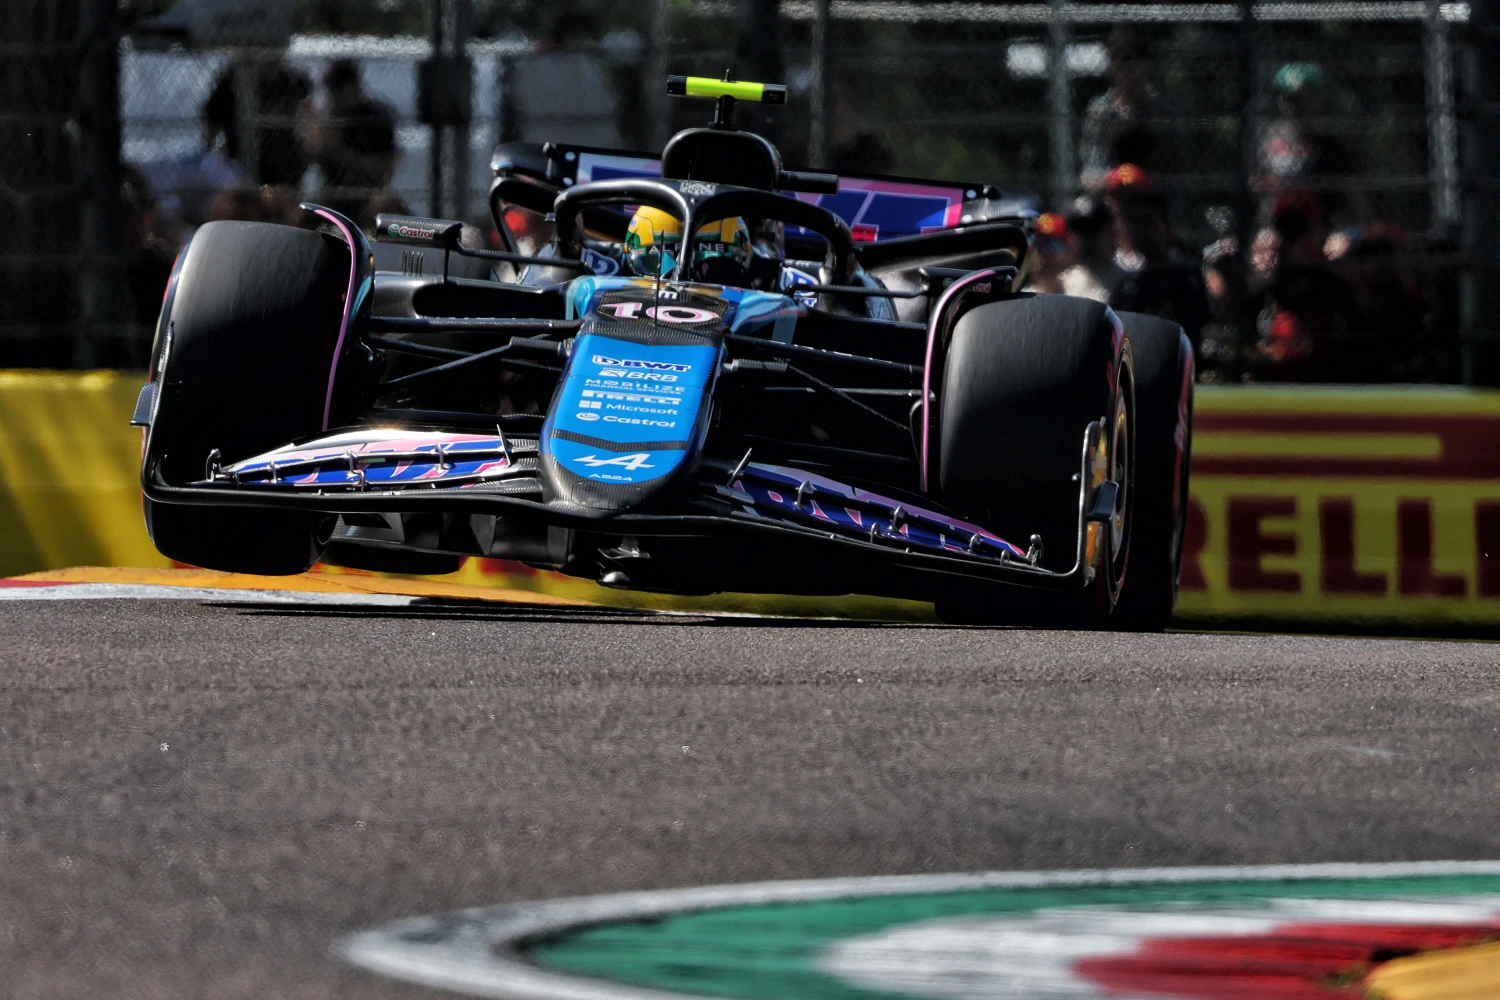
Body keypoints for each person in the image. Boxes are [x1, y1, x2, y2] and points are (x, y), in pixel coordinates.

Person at [1102, 164, 1211, 352]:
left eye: (1148, 222)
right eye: (1134, 222)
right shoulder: (1128, 286)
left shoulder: (1189, 279)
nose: (1142, 232)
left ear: (1167, 226)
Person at [1253, 62, 1363, 231]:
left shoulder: (1333, 147)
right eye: (1289, 99)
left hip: (1320, 236)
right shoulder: (1267, 141)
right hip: (1274, 234)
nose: (1295, 106)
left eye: (1303, 99)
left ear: (1319, 100)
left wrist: (1348, 235)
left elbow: (1358, 203)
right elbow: (1255, 189)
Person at [1079, 28, 1178, 192]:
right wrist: (1118, 180)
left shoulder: (1164, 110)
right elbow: (1091, 169)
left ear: (1146, 64)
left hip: (1155, 197)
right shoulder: (1100, 111)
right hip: (1110, 194)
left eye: (1131, 59)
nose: (1124, 68)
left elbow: (1174, 168)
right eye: (1117, 59)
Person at [202, 62, 313, 189]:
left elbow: (308, 118)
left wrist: (307, 149)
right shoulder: (229, 82)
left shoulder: (292, 81)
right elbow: (212, 126)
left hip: (284, 164)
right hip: (240, 163)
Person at [310, 59, 397, 218]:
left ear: (352, 87)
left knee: (386, 207)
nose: (333, 98)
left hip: (368, 195)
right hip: (332, 195)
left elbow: (386, 167)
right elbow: (312, 156)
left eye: (337, 91)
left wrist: (341, 153)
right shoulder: (330, 118)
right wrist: (313, 135)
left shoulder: (375, 118)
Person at [1058, 197, 1122, 303]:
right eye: (1081, 233)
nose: (1088, 241)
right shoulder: (1065, 283)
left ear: (1110, 234)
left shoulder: (1125, 282)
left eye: (1094, 232)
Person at [1024, 213, 1072, 293]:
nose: (1046, 255)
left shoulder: (1084, 290)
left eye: (1054, 247)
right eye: (1040, 247)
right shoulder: (1023, 297)